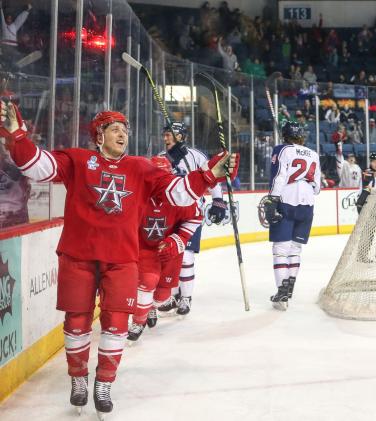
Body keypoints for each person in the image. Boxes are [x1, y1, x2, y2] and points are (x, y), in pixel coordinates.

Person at [0, 103, 238, 418]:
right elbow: (36, 165)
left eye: (125, 130)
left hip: (122, 259)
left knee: (116, 325)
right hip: (78, 256)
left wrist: (209, 175)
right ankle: (79, 378)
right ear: (98, 136)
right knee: (77, 322)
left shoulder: (141, 168)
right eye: (115, 129)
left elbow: (179, 195)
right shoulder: (78, 160)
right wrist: (16, 134)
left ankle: (104, 383)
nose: (122, 134)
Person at [128, 156, 203, 342]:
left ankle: (152, 307)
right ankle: (138, 321)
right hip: (144, 249)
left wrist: (178, 239)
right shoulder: (135, 195)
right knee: (145, 285)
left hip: (169, 252)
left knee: (162, 297)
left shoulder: (178, 197)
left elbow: (195, 216)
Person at [159, 122, 227, 316]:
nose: (166, 138)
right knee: (169, 256)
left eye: (169, 134)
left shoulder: (196, 156)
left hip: (192, 214)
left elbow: (211, 176)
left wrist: (218, 200)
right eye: (164, 135)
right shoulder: (162, 158)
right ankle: (172, 295)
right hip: (168, 214)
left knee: (186, 256)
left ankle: (186, 298)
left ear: (181, 136)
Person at [261, 121, 321, 311]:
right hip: (307, 203)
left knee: (281, 249)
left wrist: (272, 199)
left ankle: (281, 293)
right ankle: (289, 289)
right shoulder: (313, 154)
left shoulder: (282, 149)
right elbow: (317, 187)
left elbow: (278, 176)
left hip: (287, 199)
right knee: (295, 249)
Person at [355, 152, 376, 263]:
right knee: (368, 230)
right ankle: (362, 255)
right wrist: (371, 174)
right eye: (373, 161)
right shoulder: (367, 171)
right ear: (370, 162)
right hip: (364, 203)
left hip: (375, 204)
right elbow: (366, 175)